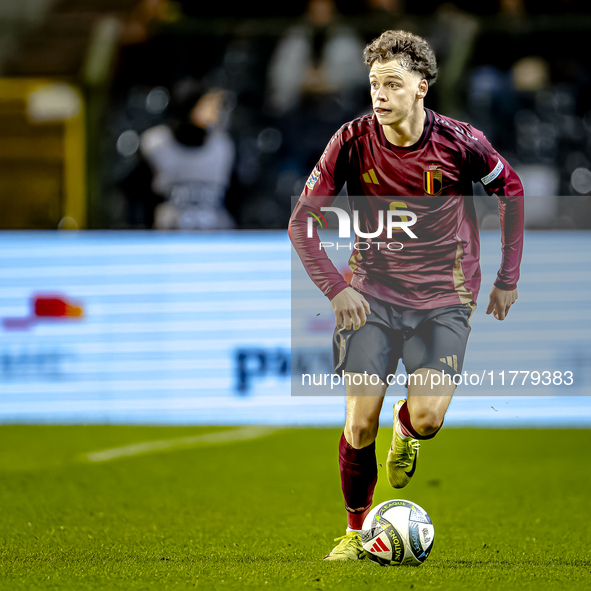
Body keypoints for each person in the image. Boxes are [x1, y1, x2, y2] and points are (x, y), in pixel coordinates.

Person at [288, 30, 524, 561]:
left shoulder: (461, 142)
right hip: (371, 295)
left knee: (427, 420)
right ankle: (353, 533)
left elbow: (510, 189)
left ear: (421, 87)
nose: (380, 93)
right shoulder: (349, 141)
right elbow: (301, 224)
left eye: (392, 84)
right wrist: (336, 288)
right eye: (374, 83)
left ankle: (407, 425)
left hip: (445, 297)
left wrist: (508, 277)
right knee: (357, 420)